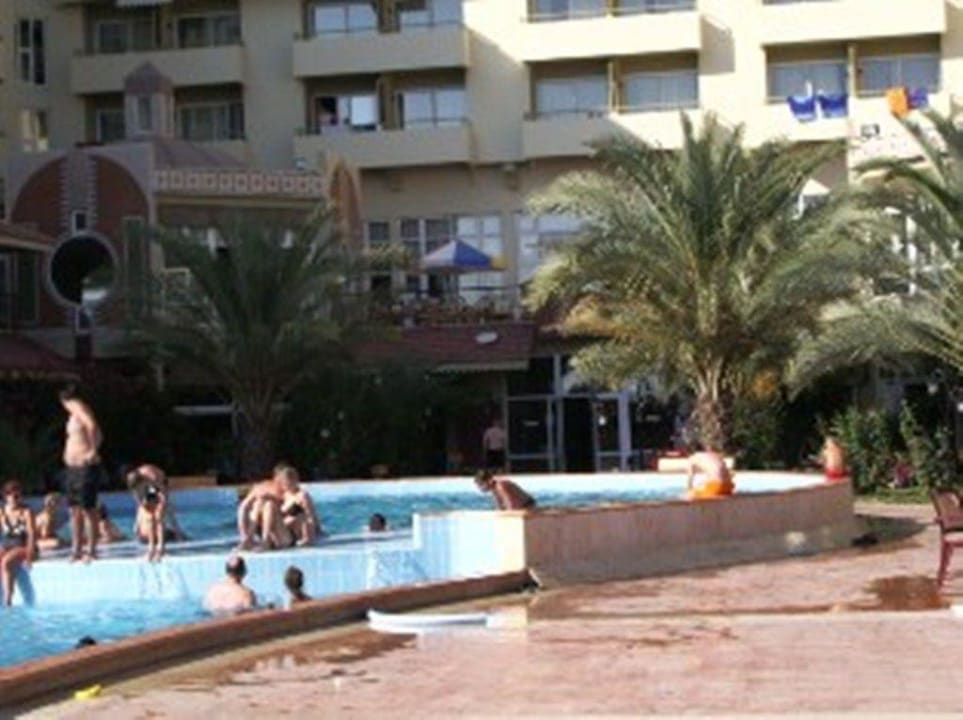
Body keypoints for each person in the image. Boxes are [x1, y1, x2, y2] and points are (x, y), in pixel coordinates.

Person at [60, 384, 104, 563]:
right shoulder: (73, 414)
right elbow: (98, 433)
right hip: (72, 467)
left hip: (85, 466)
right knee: (73, 509)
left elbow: (93, 427)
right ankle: (76, 548)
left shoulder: (79, 408)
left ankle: (91, 549)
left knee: (87, 508)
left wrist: (92, 451)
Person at [127, 464, 187, 562]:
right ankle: (151, 547)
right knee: (150, 518)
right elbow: (139, 503)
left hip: (159, 485)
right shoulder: (134, 483)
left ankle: (162, 547)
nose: (137, 491)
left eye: (138, 488)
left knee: (159, 517)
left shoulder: (153, 477)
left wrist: (163, 505)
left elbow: (163, 496)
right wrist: (137, 523)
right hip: (149, 487)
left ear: (142, 481)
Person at [236, 466, 294, 551]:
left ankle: (263, 541)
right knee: (259, 503)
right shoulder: (262, 488)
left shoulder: (290, 491)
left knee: (269, 504)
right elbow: (243, 507)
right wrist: (243, 534)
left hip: (283, 536)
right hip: (271, 533)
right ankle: (248, 539)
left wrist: (273, 499)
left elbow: (296, 514)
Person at [0, 480, 36, 606]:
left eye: (18, 496)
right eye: (13, 496)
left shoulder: (26, 512)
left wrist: (30, 555)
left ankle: (8, 599)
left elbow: (31, 535)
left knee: (6, 562)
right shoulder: (2, 512)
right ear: (6, 497)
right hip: (7, 546)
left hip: (23, 546)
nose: (16, 499)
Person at [277, 466, 322, 546]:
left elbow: (310, 516)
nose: (287, 485)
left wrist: (317, 530)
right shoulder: (284, 495)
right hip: (288, 530)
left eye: (290, 482)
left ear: (296, 481)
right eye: (285, 483)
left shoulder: (302, 496)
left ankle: (306, 538)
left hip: (302, 529)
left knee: (301, 516)